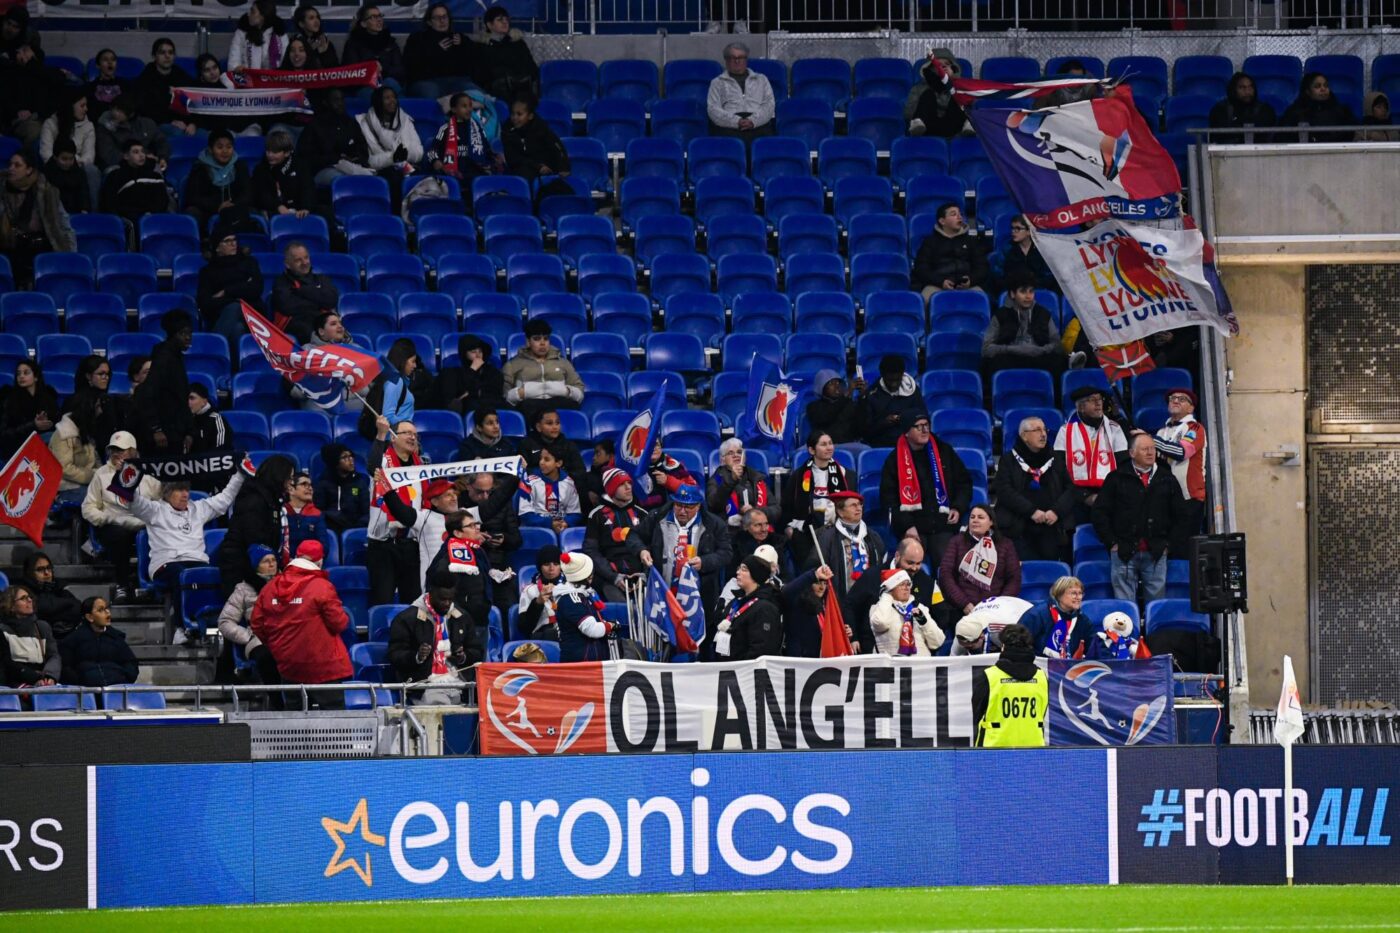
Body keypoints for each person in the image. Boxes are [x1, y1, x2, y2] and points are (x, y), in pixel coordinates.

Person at [128, 468, 246, 642]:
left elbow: (225, 499)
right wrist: (128, 478)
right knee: (182, 575)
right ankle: (181, 629)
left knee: (218, 575)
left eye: (186, 489)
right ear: (167, 493)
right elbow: (133, 501)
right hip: (167, 563)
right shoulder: (155, 510)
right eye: (179, 490)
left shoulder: (198, 508)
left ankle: (215, 628)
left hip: (196, 562)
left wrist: (241, 474)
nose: (185, 494)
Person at [629, 483, 733, 657]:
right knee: (663, 640)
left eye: (689, 507)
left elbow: (726, 553)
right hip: (663, 592)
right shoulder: (657, 516)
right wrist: (642, 550)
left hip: (699, 595)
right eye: (678, 505)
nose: (682, 511)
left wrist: (705, 562)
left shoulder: (714, 524)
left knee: (698, 642)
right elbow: (634, 536)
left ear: (699, 506)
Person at [251, 539, 351, 707]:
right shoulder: (321, 586)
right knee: (333, 723)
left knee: (295, 722)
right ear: (319, 561)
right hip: (324, 667)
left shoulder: (270, 587)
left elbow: (257, 624)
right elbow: (339, 623)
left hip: (289, 666)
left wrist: (279, 646)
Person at [1093, 432, 1186, 607]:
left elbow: (1181, 516)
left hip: (1157, 552)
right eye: (1145, 449)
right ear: (1132, 453)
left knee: (1157, 607)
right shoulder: (1116, 478)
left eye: (1153, 448)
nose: (1151, 453)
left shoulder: (1167, 478)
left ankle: (1154, 635)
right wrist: (1112, 542)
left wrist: (1168, 545)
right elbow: (1100, 513)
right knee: (1124, 608)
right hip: (1123, 552)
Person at [880, 410, 972, 559]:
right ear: (907, 432)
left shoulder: (944, 451)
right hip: (913, 527)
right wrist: (907, 526)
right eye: (919, 426)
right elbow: (888, 499)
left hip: (943, 525)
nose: (924, 430)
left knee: (948, 564)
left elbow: (964, 483)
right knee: (911, 561)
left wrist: (958, 507)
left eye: (926, 425)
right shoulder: (894, 460)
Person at [83, 431, 161, 603]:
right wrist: (108, 518)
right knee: (120, 536)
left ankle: (155, 585)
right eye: (114, 449)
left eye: (122, 450)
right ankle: (122, 585)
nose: (116, 453)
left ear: (133, 451)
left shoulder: (147, 473)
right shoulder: (101, 474)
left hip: (144, 523)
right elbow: (88, 507)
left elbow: (162, 501)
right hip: (113, 524)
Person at [388, 569, 483, 704]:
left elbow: (477, 650)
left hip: (460, 682)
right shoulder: (407, 618)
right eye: (442, 599)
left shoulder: (462, 617)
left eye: (450, 599)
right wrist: (417, 656)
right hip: (425, 684)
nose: (446, 603)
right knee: (443, 713)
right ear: (430, 592)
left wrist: (463, 656)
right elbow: (395, 655)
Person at [996, 414, 1074, 562]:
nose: (1043, 434)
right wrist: (1031, 511)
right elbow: (1004, 491)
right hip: (1019, 527)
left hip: (1051, 526)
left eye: (1044, 430)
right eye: (1037, 430)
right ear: (1024, 436)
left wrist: (1056, 511)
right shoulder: (1008, 460)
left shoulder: (1055, 458)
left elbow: (1070, 489)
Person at [216, 454, 294, 596]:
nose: (290, 483)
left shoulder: (270, 498)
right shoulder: (254, 498)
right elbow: (255, 540)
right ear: (278, 476)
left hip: (257, 566)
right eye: (289, 478)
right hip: (240, 568)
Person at [1, 149, 76, 290]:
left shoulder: (47, 192)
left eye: (17, 165)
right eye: (10, 164)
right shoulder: (2, 189)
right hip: (9, 247)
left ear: (29, 170)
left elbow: (63, 225)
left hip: (40, 247)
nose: (11, 169)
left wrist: (70, 255)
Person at [367, 420, 424, 605]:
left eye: (414, 434)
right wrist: (380, 435)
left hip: (411, 543)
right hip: (383, 543)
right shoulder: (383, 461)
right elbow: (372, 468)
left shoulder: (420, 466)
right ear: (393, 437)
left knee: (414, 602)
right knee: (383, 599)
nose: (412, 437)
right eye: (406, 432)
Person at [1053, 385, 1128, 525]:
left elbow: (1123, 465)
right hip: (1075, 495)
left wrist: (1105, 496)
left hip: (1109, 494)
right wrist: (1084, 497)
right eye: (1092, 400)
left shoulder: (1115, 429)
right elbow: (1059, 470)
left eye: (1099, 399)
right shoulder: (1065, 432)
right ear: (1081, 407)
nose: (1098, 403)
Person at [808, 490, 885, 617]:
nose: (858, 508)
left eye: (860, 504)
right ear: (840, 512)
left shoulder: (872, 537)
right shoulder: (827, 538)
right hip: (840, 604)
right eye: (853, 505)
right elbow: (814, 566)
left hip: (870, 605)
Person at [938, 504, 1022, 619]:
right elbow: (945, 574)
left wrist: (999, 605)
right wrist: (964, 603)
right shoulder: (957, 542)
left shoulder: (1005, 545)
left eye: (980, 517)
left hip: (996, 610)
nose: (975, 520)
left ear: (991, 522)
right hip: (963, 609)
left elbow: (1014, 579)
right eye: (972, 517)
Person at [970, 623, 1047, 748]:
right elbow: (1042, 711)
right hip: (1033, 746)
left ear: (1003, 646)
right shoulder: (1041, 676)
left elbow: (976, 713)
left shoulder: (990, 676)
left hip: (994, 748)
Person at [130, 309, 193, 456]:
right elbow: (148, 394)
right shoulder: (164, 358)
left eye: (190, 333)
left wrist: (189, 431)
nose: (188, 338)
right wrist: (156, 429)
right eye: (183, 333)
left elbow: (180, 399)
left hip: (175, 432)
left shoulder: (176, 357)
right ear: (173, 334)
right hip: (163, 436)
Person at [1152, 388, 1207, 558]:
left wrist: (1150, 440)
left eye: (1182, 399)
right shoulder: (1162, 432)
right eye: (1172, 398)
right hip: (1165, 498)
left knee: (1183, 549)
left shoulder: (1195, 428)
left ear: (1191, 408)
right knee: (1165, 549)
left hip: (1188, 497)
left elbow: (1181, 452)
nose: (1175, 401)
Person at [217, 545, 281, 687]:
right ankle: (277, 702)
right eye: (265, 561)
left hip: (285, 636)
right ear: (255, 566)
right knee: (267, 658)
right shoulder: (244, 589)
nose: (271, 564)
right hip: (258, 640)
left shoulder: (287, 584)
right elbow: (225, 621)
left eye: (273, 560)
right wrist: (248, 636)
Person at [981, 273, 1066, 380]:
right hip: (1010, 358)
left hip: (1038, 357)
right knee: (994, 363)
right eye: (1023, 291)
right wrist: (1013, 349)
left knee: (1058, 361)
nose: (1028, 296)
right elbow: (986, 349)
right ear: (1012, 294)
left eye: (1031, 291)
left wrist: (1040, 350)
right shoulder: (1000, 315)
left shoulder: (1043, 314)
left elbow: (1057, 345)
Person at [582, 468, 648, 603]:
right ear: (611, 489)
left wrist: (646, 574)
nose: (628, 487)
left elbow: (651, 547)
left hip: (642, 577)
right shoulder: (596, 515)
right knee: (623, 611)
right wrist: (614, 577)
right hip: (611, 578)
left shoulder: (642, 514)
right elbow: (591, 551)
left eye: (629, 483)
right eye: (622, 484)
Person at [197, 224, 266, 349]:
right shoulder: (208, 272)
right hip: (222, 317)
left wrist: (226, 292)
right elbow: (205, 303)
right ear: (217, 247)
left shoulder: (249, 262)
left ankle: (211, 350)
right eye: (227, 241)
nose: (233, 244)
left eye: (234, 240)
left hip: (253, 315)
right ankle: (234, 366)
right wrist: (239, 294)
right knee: (236, 326)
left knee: (236, 308)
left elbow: (256, 289)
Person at [502, 319, 586, 422]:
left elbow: (579, 393)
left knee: (572, 408)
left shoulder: (563, 363)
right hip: (530, 406)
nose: (542, 343)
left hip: (559, 404)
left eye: (546, 339)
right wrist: (523, 392)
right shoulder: (513, 365)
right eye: (537, 339)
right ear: (528, 342)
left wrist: (565, 391)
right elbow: (505, 397)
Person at [358, 86, 422, 215]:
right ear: (378, 101)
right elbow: (369, 161)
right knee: (394, 178)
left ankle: (416, 221)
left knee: (419, 178)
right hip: (380, 170)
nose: (392, 101)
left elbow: (419, 151)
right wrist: (393, 158)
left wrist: (405, 155)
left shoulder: (405, 121)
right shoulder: (365, 124)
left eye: (394, 97)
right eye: (387, 98)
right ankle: (396, 219)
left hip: (406, 165)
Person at [296, 87, 375, 188]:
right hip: (324, 169)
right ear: (326, 103)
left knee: (371, 178)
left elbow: (362, 149)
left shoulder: (351, 123)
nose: (340, 103)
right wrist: (335, 159)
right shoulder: (315, 126)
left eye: (342, 99)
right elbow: (306, 157)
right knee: (344, 180)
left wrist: (355, 159)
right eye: (336, 100)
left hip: (353, 167)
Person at [502, 94, 573, 203]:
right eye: (513, 114)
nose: (515, 118)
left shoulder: (541, 128)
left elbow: (557, 147)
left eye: (519, 114)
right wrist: (537, 167)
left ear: (530, 116)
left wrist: (563, 166)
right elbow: (513, 158)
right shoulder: (507, 131)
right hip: (523, 169)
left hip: (545, 168)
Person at [554, 552, 623, 662]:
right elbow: (593, 630)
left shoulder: (584, 594)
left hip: (591, 664)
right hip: (580, 667)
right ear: (587, 576)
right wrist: (610, 625)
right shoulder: (572, 599)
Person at [912, 202, 989, 301]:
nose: (959, 217)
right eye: (953, 214)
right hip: (937, 285)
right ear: (942, 221)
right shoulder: (930, 242)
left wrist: (971, 280)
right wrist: (940, 282)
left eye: (960, 214)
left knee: (981, 298)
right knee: (925, 299)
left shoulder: (971, 241)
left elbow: (982, 267)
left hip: (968, 286)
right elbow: (921, 268)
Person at [59, 596, 138, 687]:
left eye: (107, 608)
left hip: (116, 691)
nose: (107, 612)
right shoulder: (73, 639)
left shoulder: (116, 638)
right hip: (86, 693)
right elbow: (65, 667)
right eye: (101, 610)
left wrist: (124, 680)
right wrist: (81, 683)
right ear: (89, 617)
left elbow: (131, 663)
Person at [715, 556, 783, 661]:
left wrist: (741, 668)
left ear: (756, 574)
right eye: (739, 568)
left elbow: (761, 648)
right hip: (726, 668)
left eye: (744, 569)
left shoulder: (765, 608)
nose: (738, 572)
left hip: (745, 672)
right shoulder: (736, 601)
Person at [38, 91, 98, 209]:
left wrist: (72, 162)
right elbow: (46, 153)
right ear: (70, 106)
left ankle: (92, 214)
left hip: (78, 168)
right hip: (55, 165)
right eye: (82, 105)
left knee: (92, 170)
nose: (86, 109)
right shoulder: (51, 123)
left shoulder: (88, 126)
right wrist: (62, 161)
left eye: (86, 105)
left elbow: (89, 156)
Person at [404, 3, 478, 100]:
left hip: (457, 81)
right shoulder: (417, 38)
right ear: (429, 22)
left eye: (444, 17)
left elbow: (474, 59)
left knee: (473, 91)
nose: (442, 21)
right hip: (427, 81)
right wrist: (434, 50)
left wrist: (463, 45)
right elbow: (411, 64)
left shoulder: (459, 38)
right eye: (437, 18)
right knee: (431, 91)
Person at [358, 338, 429, 438]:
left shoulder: (392, 379)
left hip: (397, 438)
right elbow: (388, 416)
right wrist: (408, 427)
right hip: (396, 440)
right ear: (403, 361)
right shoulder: (395, 382)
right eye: (412, 361)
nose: (415, 365)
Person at [271, 242, 340, 343]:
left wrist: (302, 291)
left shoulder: (321, 279)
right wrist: (318, 300)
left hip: (323, 323)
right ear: (287, 264)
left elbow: (331, 300)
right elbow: (288, 307)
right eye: (298, 260)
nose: (304, 262)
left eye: (306, 257)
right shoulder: (281, 283)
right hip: (298, 328)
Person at [424, 90, 501, 182]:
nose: (469, 109)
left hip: (476, 174)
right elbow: (432, 150)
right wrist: (436, 161)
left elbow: (486, 149)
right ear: (454, 109)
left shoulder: (477, 128)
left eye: (470, 106)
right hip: (452, 175)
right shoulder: (445, 129)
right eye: (464, 106)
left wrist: (495, 157)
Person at [706, 43, 775, 145]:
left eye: (741, 57)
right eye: (732, 57)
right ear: (726, 60)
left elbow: (769, 105)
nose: (737, 61)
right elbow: (713, 110)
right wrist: (736, 122)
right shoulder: (717, 82)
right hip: (729, 126)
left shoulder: (761, 79)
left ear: (746, 59)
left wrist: (753, 121)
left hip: (758, 125)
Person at [707, 438, 780, 534]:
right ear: (722, 460)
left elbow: (776, 510)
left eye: (739, 452)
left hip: (760, 530)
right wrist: (732, 479)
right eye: (730, 453)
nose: (736, 455)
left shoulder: (757, 478)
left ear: (744, 457)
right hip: (731, 532)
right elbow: (713, 505)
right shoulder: (716, 479)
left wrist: (755, 511)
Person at [184, 129, 252, 230]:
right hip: (208, 211)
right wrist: (218, 206)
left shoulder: (240, 166)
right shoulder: (200, 168)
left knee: (253, 211)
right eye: (219, 147)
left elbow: (248, 193)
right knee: (192, 212)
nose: (225, 151)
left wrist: (232, 205)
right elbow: (193, 197)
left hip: (235, 207)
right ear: (211, 150)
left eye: (229, 147)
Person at [100, 139, 174, 230]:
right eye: (136, 152)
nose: (141, 155)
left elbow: (162, 199)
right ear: (126, 156)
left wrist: (151, 213)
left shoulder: (155, 175)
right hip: (129, 219)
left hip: (155, 216)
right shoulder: (115, 176)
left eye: (143, 151)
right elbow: (109, 203)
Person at [869, 568, 944, 657]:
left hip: (920, 666)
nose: (906, 587)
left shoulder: (919, 607)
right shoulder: (878, 608)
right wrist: (886, 596)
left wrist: (925, 623)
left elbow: (938, 642)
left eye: (908, 584)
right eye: (901, 584)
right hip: (892, 666)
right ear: (891, 588)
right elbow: (881, 623)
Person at [251, 129, 321, 223]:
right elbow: (261, 194)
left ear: (287, 153)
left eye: (275, 152)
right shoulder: (261, 169)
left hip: (299, 209)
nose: (270, 155)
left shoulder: (300, 166)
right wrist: (278, 206)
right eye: (268, 151)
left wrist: (306, 208)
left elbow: (308, 188)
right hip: (273, 210)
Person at [1017, 574, 1094, 659]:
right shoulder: (1037, 615)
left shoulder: (1082, 620)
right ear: (1059, 595)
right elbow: (1018, 643)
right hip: (1038, 666)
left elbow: (1095, 648)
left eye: (1080, 593)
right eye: (1073, 593)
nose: (1078, 597)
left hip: (1069, 668)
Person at [0, 585, 61, 687]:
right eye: (23, 598)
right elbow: (6, 664)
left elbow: (54, 656)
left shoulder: (42, 627)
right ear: (11, 605)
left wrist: (50, 677)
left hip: (42, 678)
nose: (29, 600)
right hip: (15, 680)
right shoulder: (2, 630)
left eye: (29, 597)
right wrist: (34, 678)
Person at [861, 355, 928, 448]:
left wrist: (906, 418)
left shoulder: (912, 390)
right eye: (890, 380)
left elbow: (923, 417)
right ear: (882, 375)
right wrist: (884, 422)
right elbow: (866, 430)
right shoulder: (872, 394)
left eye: (897, 380)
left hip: (909, 443)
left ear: (902, 375)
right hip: (881, 443)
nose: (894, 384)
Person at [131, 37, 195, 132]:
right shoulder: (145, 78)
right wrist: (171, 121)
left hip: (182, 124)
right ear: (154, 56)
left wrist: (192, 123)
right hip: (156, 124)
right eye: (162, 53)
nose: (167, 56)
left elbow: (193, 103)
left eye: (170, 52)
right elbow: (144, 109)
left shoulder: (181, 76)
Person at [0, 359, 59, 459]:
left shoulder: (48, 397)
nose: (21, 376)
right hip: (17, 446)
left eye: (26, 373)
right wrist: (33, 425)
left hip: (43, 445)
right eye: (18, 374)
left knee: (58, 437)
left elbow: (57, 422)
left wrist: (45, 423)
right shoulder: (10, 399)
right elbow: (5, 434)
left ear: (36, 377)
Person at [190, 53, 261, 137]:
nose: (212, 72)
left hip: (246, 126)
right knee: (226, 136)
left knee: (253, 134)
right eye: (207, 70)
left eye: (215, 67)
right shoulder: (198, 91)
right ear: (201, 74)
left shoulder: (230, 80)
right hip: (221, 131)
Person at [65, 356, 124, 455]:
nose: (106, 377)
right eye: (101, 374)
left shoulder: (109, 400)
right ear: (88, 376)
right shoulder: (73, 401)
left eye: (107, 374)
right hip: (80, 453)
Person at [779, 564, 842, 658]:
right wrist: (814, 575)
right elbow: (786, 592)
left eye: (825, 583)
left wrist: (842, 632)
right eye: (818, 582)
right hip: (799, 662)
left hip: (820, 660)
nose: (822, 587)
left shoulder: (826, 606)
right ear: (808, 584)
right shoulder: (797, 603)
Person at [19, 551, 83, 641]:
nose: (46, 573)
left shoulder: (60, 588)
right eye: (40, 569)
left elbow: (77, 607)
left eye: (49, 568)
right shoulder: (24, 592)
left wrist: (52, 615)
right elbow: (42, 607)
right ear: (30, 573)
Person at [341, 3, 406, 92]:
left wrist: (383, 69)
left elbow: (400, 70)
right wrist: (371, 69)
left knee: (390, 84)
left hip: (388, 82)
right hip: (364, 85)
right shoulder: (353, 44)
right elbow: (351, 72)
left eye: (380, 16)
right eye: (373, 17)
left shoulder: (390, 43)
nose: (379, 20)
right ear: (363, 23)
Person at [47, 394, 100, 503]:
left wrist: (102, 474)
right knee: (97, 501)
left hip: (86, 481)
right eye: (97, 406)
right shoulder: (62, 434)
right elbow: (64, 469)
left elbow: (96, 459)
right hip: (64, 486)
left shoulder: (86, 428)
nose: (100, 411)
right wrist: (93, 476)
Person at [988, 215, 1057, 297]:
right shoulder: (1007, 249)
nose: (1013, 231)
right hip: (1013, 292)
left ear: (1028, 231)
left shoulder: (1041, 250)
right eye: (1012, 228)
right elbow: (999, 274)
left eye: (1018, 229)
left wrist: (1032, 286)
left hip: (1038, 291)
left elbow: (1048, 275)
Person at [904, 49, 967, 138]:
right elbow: (908, 112)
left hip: (953, 127)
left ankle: (967, 125)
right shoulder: (918, 88)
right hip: (926, 127)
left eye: (947, 65)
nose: (943, 68)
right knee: (928, 94)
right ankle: (917, 123)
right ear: (930, 68)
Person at [96, 94, 169, 170]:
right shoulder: (104, 127)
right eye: (114, 108)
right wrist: (135, 159)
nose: (115, 113)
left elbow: (161, 142)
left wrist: (162, 158)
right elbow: (108, 154)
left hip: (146, 163)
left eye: (120, 111)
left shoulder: (146, 124)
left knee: (157, 169)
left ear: (131, 114)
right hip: (119, 166)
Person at [1279, 71, 1356, 143]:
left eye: (1326, 85)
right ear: (1308, 91)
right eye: (1317, 86)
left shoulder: (1343, 112)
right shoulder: (1296, 113)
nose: (1323, 89)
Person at [518, 445, 582, 532]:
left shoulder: (569, 483)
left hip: (562, 529)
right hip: (537, 531)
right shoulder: (530, 482)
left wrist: (566, 523)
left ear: (558, 463)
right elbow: (525, 515)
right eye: (540, 458)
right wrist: (549, 523)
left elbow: (575, 514)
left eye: (546, 459)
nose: (541, 462)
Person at [436, 335, 505, 414]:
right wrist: (472, 370)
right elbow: (455, 396)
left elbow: (496, 393)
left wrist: (473, 393)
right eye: (473, 352)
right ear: (464, 354)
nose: (478, 355)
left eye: (480, 351)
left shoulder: (492, 371)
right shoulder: (452, 373)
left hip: (490, 406)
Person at [1208, 72, 1277, 144]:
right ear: (1233, 89)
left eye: (1250, 87)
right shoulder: (1220, 110)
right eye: (1242, 87)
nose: (1247, 92)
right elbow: (1216, 139)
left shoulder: (1265, 110)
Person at [315, 443, 370, 534]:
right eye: (345, 457)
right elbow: (319, 511)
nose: (351, 460)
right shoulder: (323, 483)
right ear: (334, 462)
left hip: (355, 527)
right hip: (331, 528)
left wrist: (354, 528)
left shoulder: (360, 481)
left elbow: (367, 511)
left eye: (351, 456)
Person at [805, 370, 866, 446]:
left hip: (848, 445)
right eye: (831, 383)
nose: (837, 386)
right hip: (823, 446)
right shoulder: (813, 406)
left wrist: (863, 396)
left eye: (838, 383)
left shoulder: (849, 404)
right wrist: (847, 395)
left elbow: (863, 426)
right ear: (821, 387)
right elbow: (826, 416)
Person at [228, 0, 286, 74]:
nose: (248, 14)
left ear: (263, 16)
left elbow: (286, 62)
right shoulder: (242, 32)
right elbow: (233, 61)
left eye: (253, 12)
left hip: (274, 80)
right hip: (248, 80)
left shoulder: (279, 33)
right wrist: (237, 68)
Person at [43, 138, 91, 217]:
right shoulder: (47, 174)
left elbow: (84, 195)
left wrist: (84, 211)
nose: (68, 163)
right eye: (64, 159)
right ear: (55, 157)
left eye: (71, 158)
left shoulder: (79, 173)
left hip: (77, 215)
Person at [186, 385, 231, 461]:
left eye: (192, 398)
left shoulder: (216, 419)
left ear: (204, 402)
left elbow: (220, 451)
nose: (188, 402)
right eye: (186, 398)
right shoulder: (187, 420)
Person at [85, 48, 129, 120]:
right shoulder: (91, 86)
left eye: (113, 59)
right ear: (98, 65)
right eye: (105, 60)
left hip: (120, 123)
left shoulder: (125, 84)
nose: (110, 62)